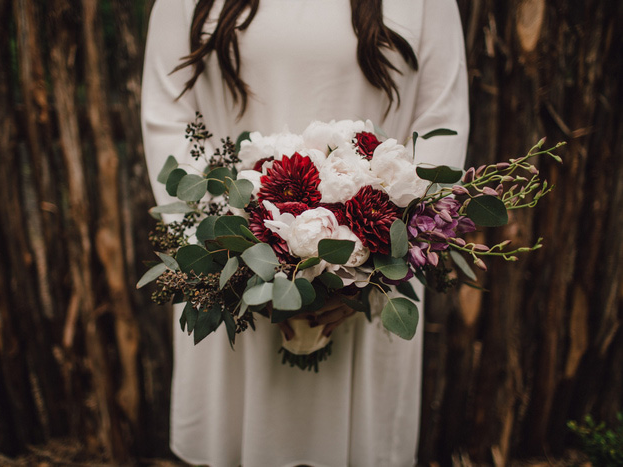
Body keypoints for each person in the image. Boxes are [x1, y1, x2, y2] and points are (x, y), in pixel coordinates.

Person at [141, 0, 469, 465]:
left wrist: (364, 267)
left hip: (371, 275)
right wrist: (235, 255)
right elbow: (167, 123)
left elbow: (442, 123)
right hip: (230, 269)